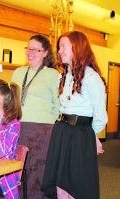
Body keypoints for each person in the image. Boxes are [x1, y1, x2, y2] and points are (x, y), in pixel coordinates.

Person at [41, 31, 108, 199]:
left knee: (76, 185)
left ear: (77, 48)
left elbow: (101, 117)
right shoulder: (63, 75)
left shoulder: (92, 78)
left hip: (80, 135)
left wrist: (91, 136)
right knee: (59, 183)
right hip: (62, 132)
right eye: (59, 47)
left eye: (64, 46)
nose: (60, 51)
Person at [11, 34, 60, 199]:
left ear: (45, 53)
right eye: (28, 48)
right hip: (18, 128)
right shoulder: (18, 72)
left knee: (38, 171)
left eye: (35, 49)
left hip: (43, 131)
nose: (30, 52)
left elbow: (58, 104)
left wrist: (51, 126)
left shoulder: (53, 74)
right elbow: (12, 99)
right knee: (17, 169)